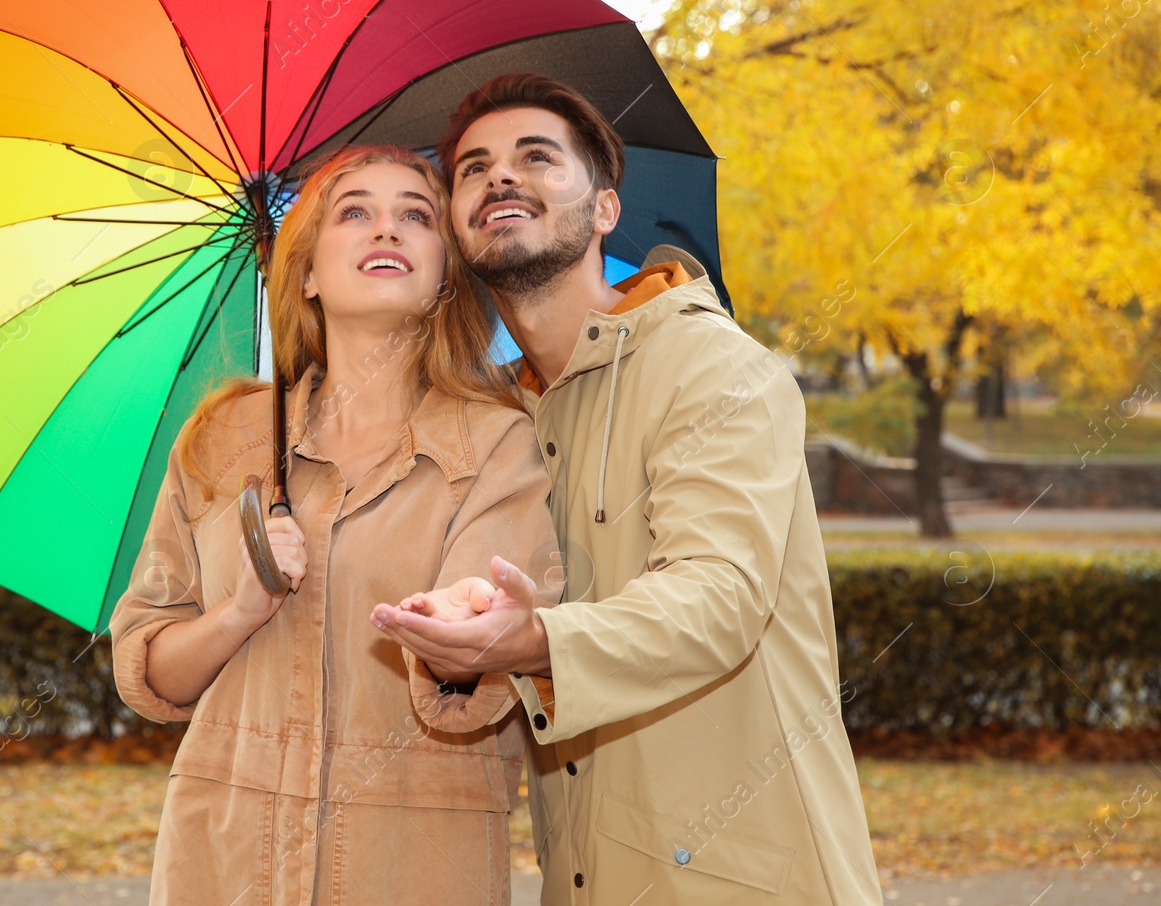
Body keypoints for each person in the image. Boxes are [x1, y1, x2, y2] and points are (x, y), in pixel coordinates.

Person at [371, 74, 882, 905]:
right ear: (459, 229)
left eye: (537, 157)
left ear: (606, 208)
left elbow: (719, 597)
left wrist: (536, 643)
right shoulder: (494, 416)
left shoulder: (712, 366)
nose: (501, 176)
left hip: (752, 879)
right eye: (473, 168)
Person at [108, 144, 560, 905]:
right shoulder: (223, 441)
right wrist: (239, 613)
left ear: (446, 272)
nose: (387, 229)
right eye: (355, 212)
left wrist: (462, 633)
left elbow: (469, 680)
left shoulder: (498, 442)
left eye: (415, 216)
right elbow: (149, 670)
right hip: (221, 861)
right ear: (307, 272)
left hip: (410, 865)